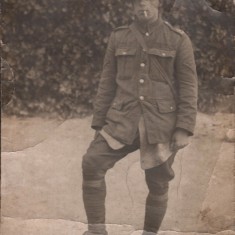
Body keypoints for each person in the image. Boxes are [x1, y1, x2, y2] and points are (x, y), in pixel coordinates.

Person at [82, 0, 198, 234]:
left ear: (158, 5)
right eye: (137, 2)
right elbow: (107, 82)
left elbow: (188, 86)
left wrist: (183, 127)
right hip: (122, 120)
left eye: (148, 2)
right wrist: (99, 122)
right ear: (131, 6)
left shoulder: (177, 39)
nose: (142, 6)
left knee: (158, 182)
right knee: (92, 162)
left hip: (161, 124)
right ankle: (96, 231)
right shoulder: (119, 37)